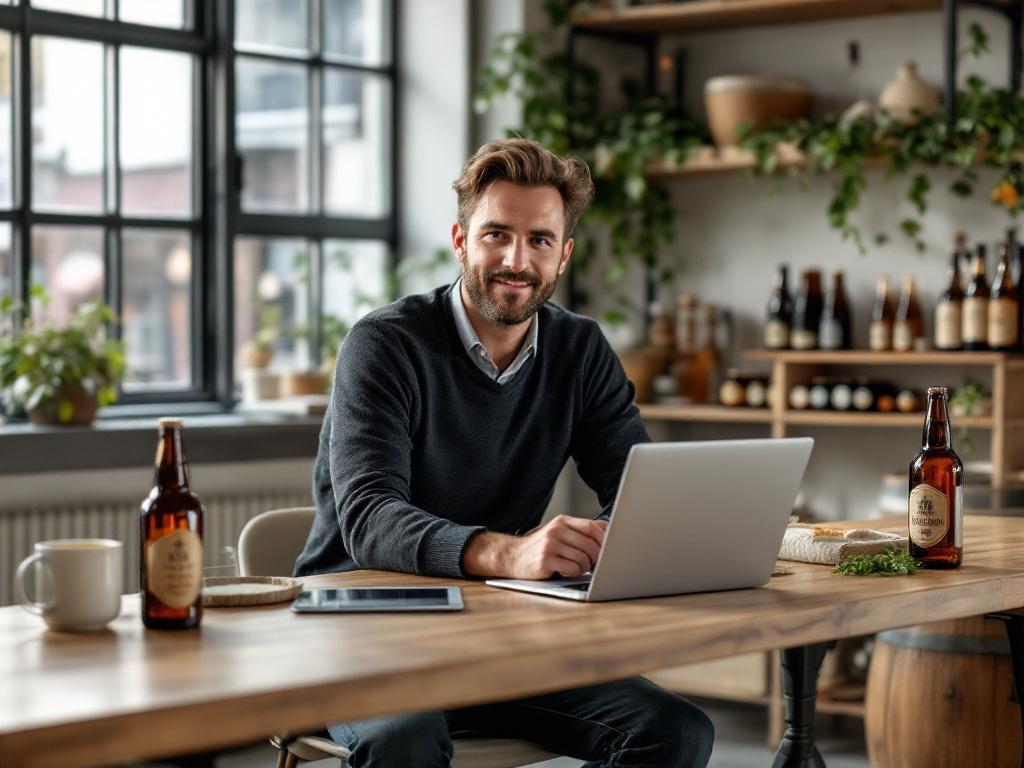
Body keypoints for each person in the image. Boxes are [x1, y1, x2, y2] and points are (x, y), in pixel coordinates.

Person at [294, 138, 714, 768]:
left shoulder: (579, 349)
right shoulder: (384, 345)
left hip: (495, 628)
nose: (517, 260)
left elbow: (638, 489)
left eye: (540, 240)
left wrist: (611, 541)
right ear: (461, 241)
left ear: (563, 254)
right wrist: (511, 553)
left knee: (675, 732)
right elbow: (370, 519)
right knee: (404, 739)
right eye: (497, 235)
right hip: (362, 624)